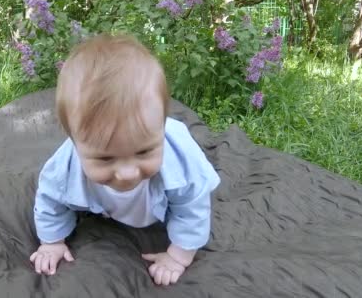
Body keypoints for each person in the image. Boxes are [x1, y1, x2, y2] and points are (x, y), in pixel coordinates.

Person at [30, 33, 220, 286]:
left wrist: (178, 257)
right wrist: (51, 242)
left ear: (161, 128)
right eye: (105, 158)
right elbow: (49, 201)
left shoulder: (182, 165)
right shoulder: (63, 168)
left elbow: (193, 208)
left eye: (144, 152)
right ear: (74, 143)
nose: (128, 173)